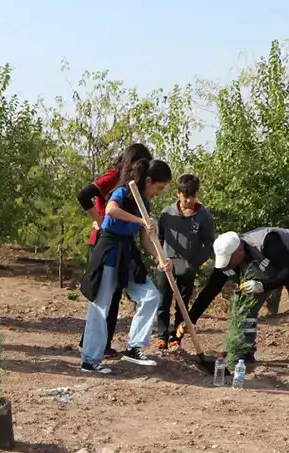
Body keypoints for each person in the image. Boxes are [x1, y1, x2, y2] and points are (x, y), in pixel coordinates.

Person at [78, 158, 173, 374]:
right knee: (100, 306)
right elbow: (111, 210)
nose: (158, 193)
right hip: (109, 250)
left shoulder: (145, 204)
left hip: (128, 254)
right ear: (148, 181)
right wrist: (141, 221)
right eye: (159, 187)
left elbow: (146, 240)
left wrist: (160, 258)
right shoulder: (122, 192)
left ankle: (134, 347)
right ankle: (89, 361)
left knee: (150, 296)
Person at [189, 228, 289, 371]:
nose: (227, 264)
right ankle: (244, 352)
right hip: (273, 269)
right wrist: (191, 318)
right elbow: (211, 289)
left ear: (239, 250)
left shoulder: (268, 242)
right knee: (244, 305)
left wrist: (263, 285)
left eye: (229, 259)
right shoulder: (229, 261)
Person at [76, 144, 153, 359]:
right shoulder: (114, 178)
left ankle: (101, 346)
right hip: (106, 242)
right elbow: (84, 195)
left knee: (113, 296)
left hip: (121, 243)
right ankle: (91, 350)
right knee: (103, 299)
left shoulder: (135, 189)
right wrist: (100, 221)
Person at [152, 174, 216, 350]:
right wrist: (159, 259)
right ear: (178, 194)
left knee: (182, 303)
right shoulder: (167, 214)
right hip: (166, 265)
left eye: (193, 196)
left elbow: (209, 244)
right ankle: (162, 336)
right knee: (163, 301)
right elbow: (159, 239)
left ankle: (176, 338)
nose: (189, 200)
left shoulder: (204, 216)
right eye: (185, 196)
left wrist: (193, 264)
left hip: (187, 267)